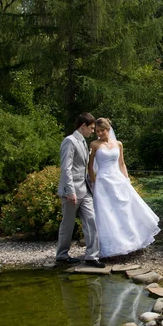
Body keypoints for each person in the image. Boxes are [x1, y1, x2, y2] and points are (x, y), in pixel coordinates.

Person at [88, 118, 160, 258]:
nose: (100, 133)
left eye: (102, 130)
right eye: (97, 131)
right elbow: (90, 166)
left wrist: (126, 179)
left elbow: (121, 163)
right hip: (103, 182)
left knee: (124, 209)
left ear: (108, 129)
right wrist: (93, 182)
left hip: (118, 179)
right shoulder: (94, 144)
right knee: (106, 213)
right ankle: (110, 247)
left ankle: (131, 243)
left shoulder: (118, 144)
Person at [56, 112, 103, 268]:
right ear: (83, 126)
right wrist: (70, 191)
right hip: (71, 191)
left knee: (91, 220)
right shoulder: (69, 141)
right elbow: (66, 168)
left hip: (84, 189)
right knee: (68, 224)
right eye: (91, 128)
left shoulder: (83, 141)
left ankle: (92, 256)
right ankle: (62, 256)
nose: (92, 131)